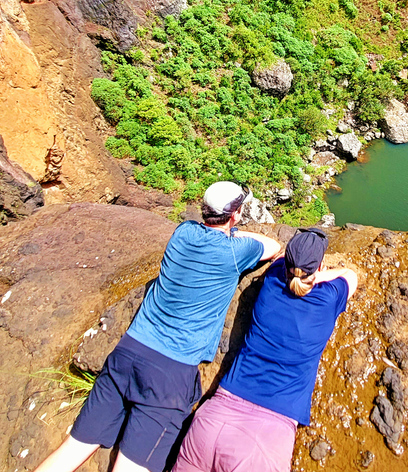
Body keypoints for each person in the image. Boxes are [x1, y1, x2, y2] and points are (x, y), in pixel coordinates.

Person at [33, 182, 282, 472]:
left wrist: (228, 228)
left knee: (73, 449)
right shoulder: (235, 252)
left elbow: (215, 230)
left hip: (128, 352)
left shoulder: (183, 233)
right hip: (170, 373)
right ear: (235, 215)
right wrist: (234, 232)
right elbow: (273, 246)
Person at [172, 227, 358, 472]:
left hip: (214, 417)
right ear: (320, 267)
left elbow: (277, 255)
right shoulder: (329, 297)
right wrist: (320, 278)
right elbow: (350, 275)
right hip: (265, 435)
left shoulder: (271, 281)